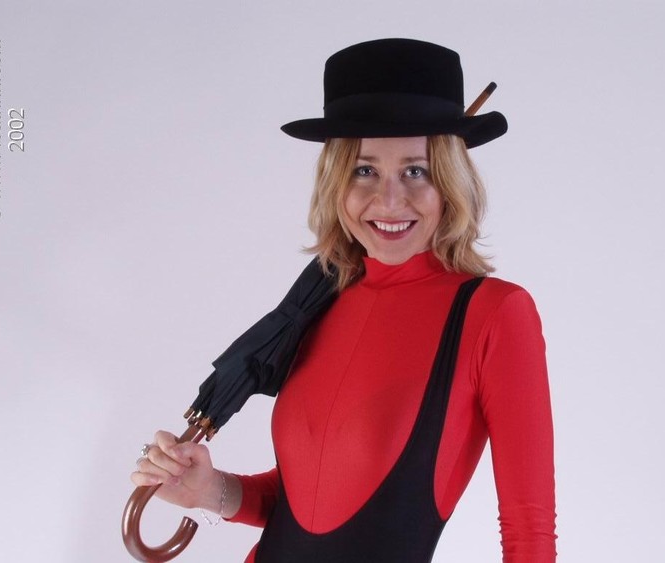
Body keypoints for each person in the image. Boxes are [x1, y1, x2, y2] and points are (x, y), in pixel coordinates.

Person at [131, 38, 557, 562]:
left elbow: (529, 532)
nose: (389, 200)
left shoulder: (494, 313)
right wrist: (209, 489)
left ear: (450, 181)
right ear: (336, 180)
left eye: (416, 170)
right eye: (364, 170)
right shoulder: (321, 298)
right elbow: (304, 503)